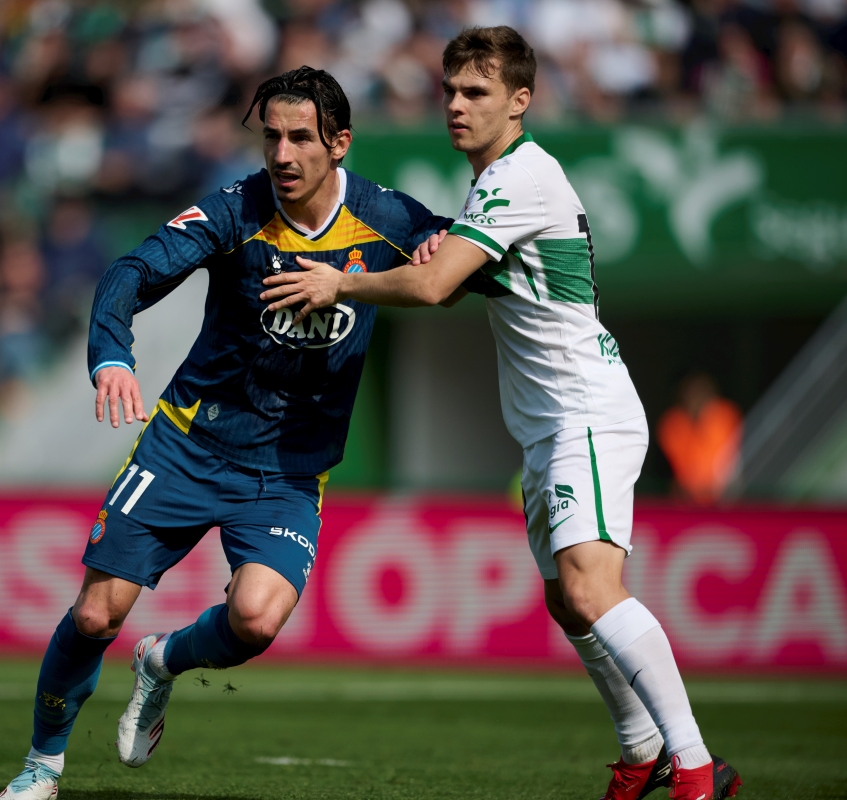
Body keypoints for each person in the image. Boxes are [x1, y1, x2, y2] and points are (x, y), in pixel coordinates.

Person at [260, 27, 743, 800]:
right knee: (566, 599)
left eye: (476, 92)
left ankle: (693, 768)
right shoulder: (495, 183)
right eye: (450, 89)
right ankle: (641, 748)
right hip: (550, 423)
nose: (456, 104)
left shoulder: (522, 176)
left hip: (583, 410)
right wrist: (443, 252)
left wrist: (339, 283)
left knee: (591, 590)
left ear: (520, 102)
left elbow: (428, 291)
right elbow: (454, 282)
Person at [0, 66, 450, 800]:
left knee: (258, 617)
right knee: (94, 610)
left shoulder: (389, 218)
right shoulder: (236, 210)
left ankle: (162, 662)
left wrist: (443, 249)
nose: (282, 153)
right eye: (271, 135)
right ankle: (41, 767)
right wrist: (112, 354)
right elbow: (132, 270)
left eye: (301, 137)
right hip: (188, 445)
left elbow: (454, 253)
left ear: (340, 143)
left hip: (289, 469)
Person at [658, 373, 742, 504]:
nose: (696, 399)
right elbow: (687, 471)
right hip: (686, 499)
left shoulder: (724, 416)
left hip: (724, 497)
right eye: (692, 395)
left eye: (701, 394)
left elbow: (722, 462)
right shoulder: (674, 424)